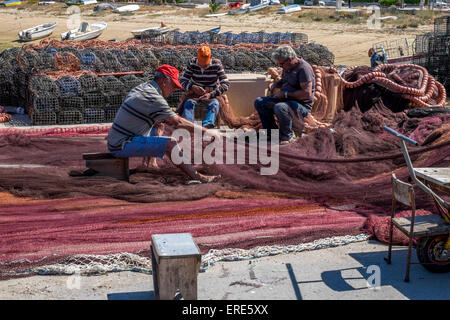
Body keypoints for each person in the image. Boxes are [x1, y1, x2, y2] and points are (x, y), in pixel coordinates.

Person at [106, 64, 220, 183]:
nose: (174, 89)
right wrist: (206, 131)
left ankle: (149, 163)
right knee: (169, 143)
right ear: (165, 80)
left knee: (160, 124)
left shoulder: (144, 87)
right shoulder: (153, 97)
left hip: (118, 139)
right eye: (174, 85)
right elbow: (178, 122)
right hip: (121, 144)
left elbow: (165, 119)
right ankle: (198, 177)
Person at [254, 45, 315, 145]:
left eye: (282, 64)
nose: (281, 66)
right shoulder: (288, 67)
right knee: (260, 102)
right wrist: (276, 84)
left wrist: (285, 94)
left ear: (290, 59)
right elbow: (285, 80)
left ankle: (286, 136)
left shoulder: (304, 69)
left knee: (280, 107)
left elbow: (306, 93)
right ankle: (272, 134)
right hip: (286, 100)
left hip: (300, 106)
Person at [179, 46, 230, 129]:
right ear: (197, 56)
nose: (202, 66)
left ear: (211, 56)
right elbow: (183, 81)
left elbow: (225, 84)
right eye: (200, 62)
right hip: (194, 94)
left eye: (205, 63)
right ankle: (189, 125)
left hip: (211, 94)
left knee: (214, 104)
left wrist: (211, 94)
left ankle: (207, 124)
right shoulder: (192, 63)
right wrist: (193, 87)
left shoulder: (217, 64)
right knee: (188, 104)